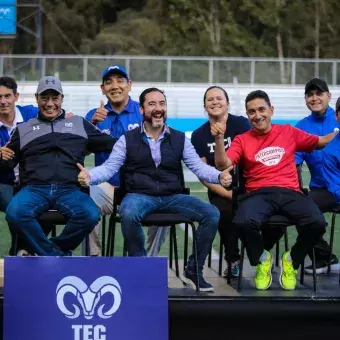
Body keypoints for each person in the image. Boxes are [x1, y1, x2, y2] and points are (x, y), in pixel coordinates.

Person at [77, 87, 233, 292]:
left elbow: (198, 167)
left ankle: (194, 269)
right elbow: (109, 167)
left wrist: (219, 176)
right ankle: (141, 267)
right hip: (139, 195)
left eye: (161, 104)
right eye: (152, 104)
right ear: (141, 110)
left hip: (172, 196)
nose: (158, 109)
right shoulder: (127, 139)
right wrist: (90, 176)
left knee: (211, 213)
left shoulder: (179, 138)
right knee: (128, 211)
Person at [213, 90, 338, 291]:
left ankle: (292, 259)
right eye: (251, 112)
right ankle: (262, 258)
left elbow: (320, 142)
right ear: (248, 115)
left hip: (290, 192)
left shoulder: (288, 132)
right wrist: (219, 139)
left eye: (262, 109)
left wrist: (337, 131)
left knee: (317, 222)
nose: (257, 115)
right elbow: (222, 163)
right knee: (242, 222)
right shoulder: (242, 139)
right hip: (258, 194)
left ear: (271, 110)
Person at [0, 76, 115, 256]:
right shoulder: (23, 129)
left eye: (55, 98)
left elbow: (114, 146)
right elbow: (6, 165)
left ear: (62, 98)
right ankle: (55, 256)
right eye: (44, 98)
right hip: (34, 189)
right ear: (36, 98)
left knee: (90, 214)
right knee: (15, 213)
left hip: (70, 189)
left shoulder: (78, 123)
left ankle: (48, 250)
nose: (50, 103)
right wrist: (1, 157)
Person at [85, 65, 167, 256]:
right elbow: (83, 151)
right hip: (106, 187)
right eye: (109, 82)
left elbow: (160, 145)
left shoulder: (143, 112)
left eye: (120, 80)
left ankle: (147, 261)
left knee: (165, 205)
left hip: (140, 186)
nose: (115, 86)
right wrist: (92, 125)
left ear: (129, 85)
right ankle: (93, 259)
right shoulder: (94, 115)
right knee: (83, 202)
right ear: (102, 88)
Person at [191, 86, 251, 277]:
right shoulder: (198, 135)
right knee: (223, 211)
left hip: (249, 185)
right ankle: (233, 259)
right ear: (204, 106)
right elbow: (202, 173)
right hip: (219, 189)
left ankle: (261, 252)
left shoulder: (242, 125)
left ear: (227, 103)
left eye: (219, 98)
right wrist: (227, 193)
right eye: (210, 99)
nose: (215, 102)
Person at [295, 78, 340, 274]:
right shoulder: (301, 127)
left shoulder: (338, 117)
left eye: (319, 93)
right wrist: (297, 190)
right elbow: (294, 163)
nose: (314, 98)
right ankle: (324, 258)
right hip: (321, 190)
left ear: (329, 96)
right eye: (310, 95)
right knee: (297, 208)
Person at [0, 76, 38, 212]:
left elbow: (55, 114)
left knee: (40, 209)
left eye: (7, 96)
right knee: (18, 209)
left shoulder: (31, 114)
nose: (3, 101)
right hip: (4, 183)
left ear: (16, 96)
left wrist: (65, 115)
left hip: (32, 182)